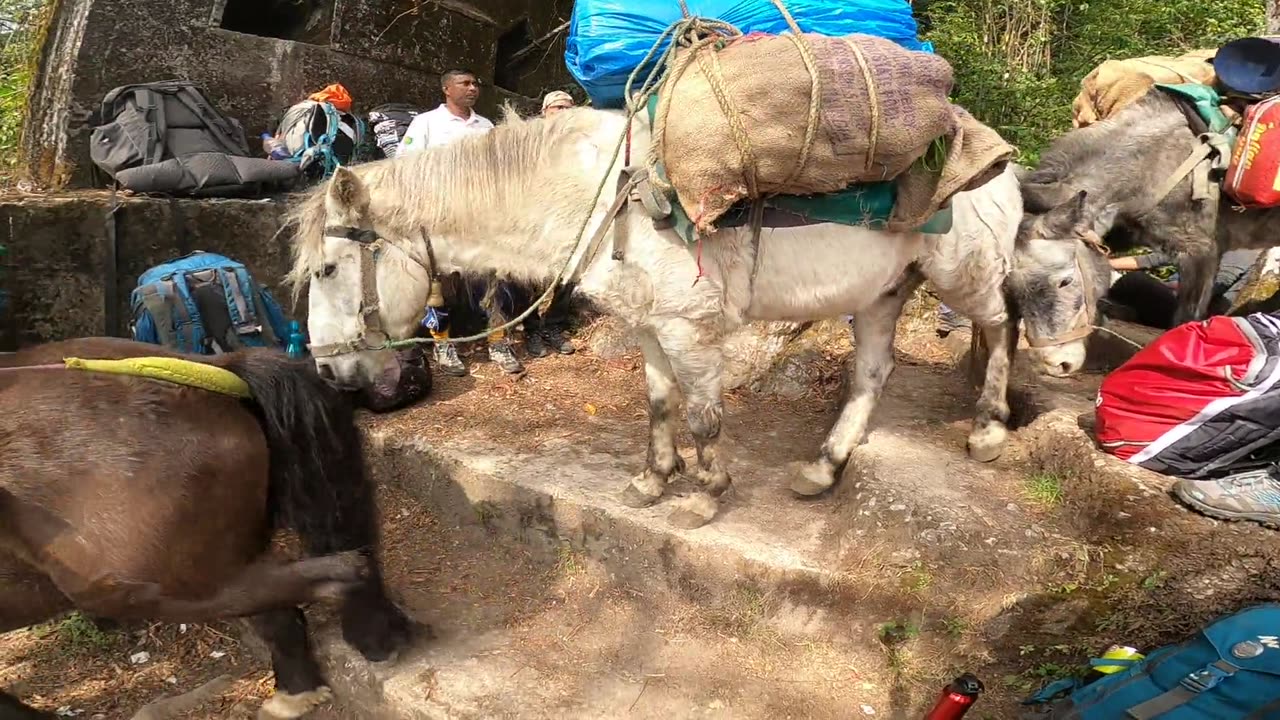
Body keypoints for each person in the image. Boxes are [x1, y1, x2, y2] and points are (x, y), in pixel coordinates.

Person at [397, 69, 524, 376]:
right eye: (464, 83)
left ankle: (498, 341)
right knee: (437, 285)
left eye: (475, 82)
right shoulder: (426, 122)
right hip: (439, 215)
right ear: (446, 89)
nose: (473, 87)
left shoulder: (486, 126)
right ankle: (443, 345)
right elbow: (404, 163)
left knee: (495, 277)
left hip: (482, 216)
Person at [519, 90, 580, 358]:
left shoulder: (581, 143)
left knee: (569, 272)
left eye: (568, 108)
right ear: (545, 111)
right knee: (529, 274)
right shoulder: (530, 140)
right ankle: (531, 328)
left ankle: (554, 325)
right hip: (534, 215)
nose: (563, 112)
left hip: (569, 216)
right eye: (557, 107)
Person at [1105, 249, 1260, 329]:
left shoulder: (1250, 256)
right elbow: (1150, 260)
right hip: (1173, 300)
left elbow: (1214, 296)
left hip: (1190, 318)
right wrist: (1103, 263)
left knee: (1135, 281)